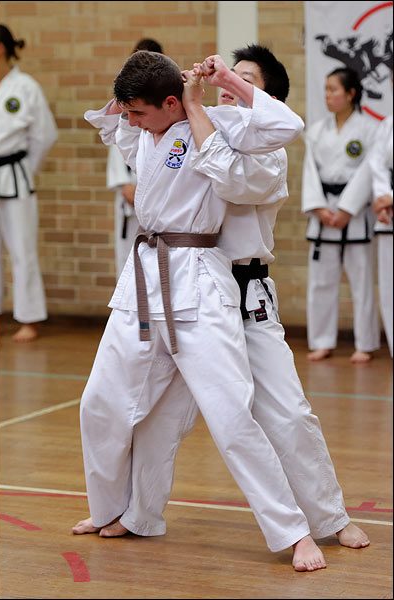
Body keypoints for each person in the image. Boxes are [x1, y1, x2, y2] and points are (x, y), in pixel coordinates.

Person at [73, 46, 369, 568]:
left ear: (263, 94)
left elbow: (241, 163)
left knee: (281, 413)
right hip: (168, 282)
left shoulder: (249, 143)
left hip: (236, 291)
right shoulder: (181, 128)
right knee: (155, 421)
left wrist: (213, 97)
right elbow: (128, 128)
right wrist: (172, 103)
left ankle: (326, 519)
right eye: (227, 78)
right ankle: (135, 513)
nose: (224, 86)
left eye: (243, 81)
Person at [301, 67, 380, 363]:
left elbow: (369, 170)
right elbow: (310, 171)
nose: (328, 95)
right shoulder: (317, 131)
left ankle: (365, 343)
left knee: (361, 281)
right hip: (323, 213)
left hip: (355, 214)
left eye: (334, 89)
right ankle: (321, 341)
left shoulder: (370, 129)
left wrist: (348, 208)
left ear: (351, 94)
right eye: (325, 89)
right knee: (321, 281)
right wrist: (319, 207)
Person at [0, 23, 57, 341]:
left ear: (0, 48)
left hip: (14, 174)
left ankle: (29, 318)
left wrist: (25, 169)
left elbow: (44, 135)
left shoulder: (24, 87)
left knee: (21, 247)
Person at [337, 113, 393, 357]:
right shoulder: (389, 123)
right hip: (387, 215)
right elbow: (377, 161)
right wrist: (383, 197)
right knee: (389, 289)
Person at [107, 38, 163, 278]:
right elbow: (118, 141)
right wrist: (124, 184)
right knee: (127, 262)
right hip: (130, 197)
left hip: (159, 199)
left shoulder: (166, 105)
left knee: (156, 266)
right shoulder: (124, 100)